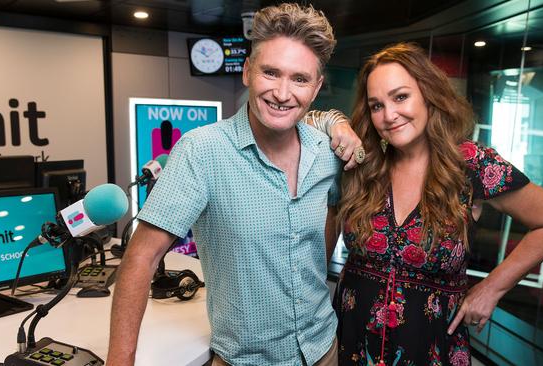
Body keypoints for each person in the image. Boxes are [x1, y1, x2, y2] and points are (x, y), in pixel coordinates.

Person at [107, 3, 362, 366]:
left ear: (317, 87)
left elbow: (329, 217)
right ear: (247, 71)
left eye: (300, 79)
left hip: (323, 348)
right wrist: (120, 360)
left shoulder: (327, 154)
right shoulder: (202, 151)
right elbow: (141, 257)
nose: (283, 92)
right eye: (270, 73)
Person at [334, 43, 543, 366]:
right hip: (350, 346)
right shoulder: (363, 164)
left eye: (400, 97)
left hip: (433, 353)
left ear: (428, 94)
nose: (389, 115)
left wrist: (492, 288)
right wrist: (334, 122)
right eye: (376, 105)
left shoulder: (470, 166)